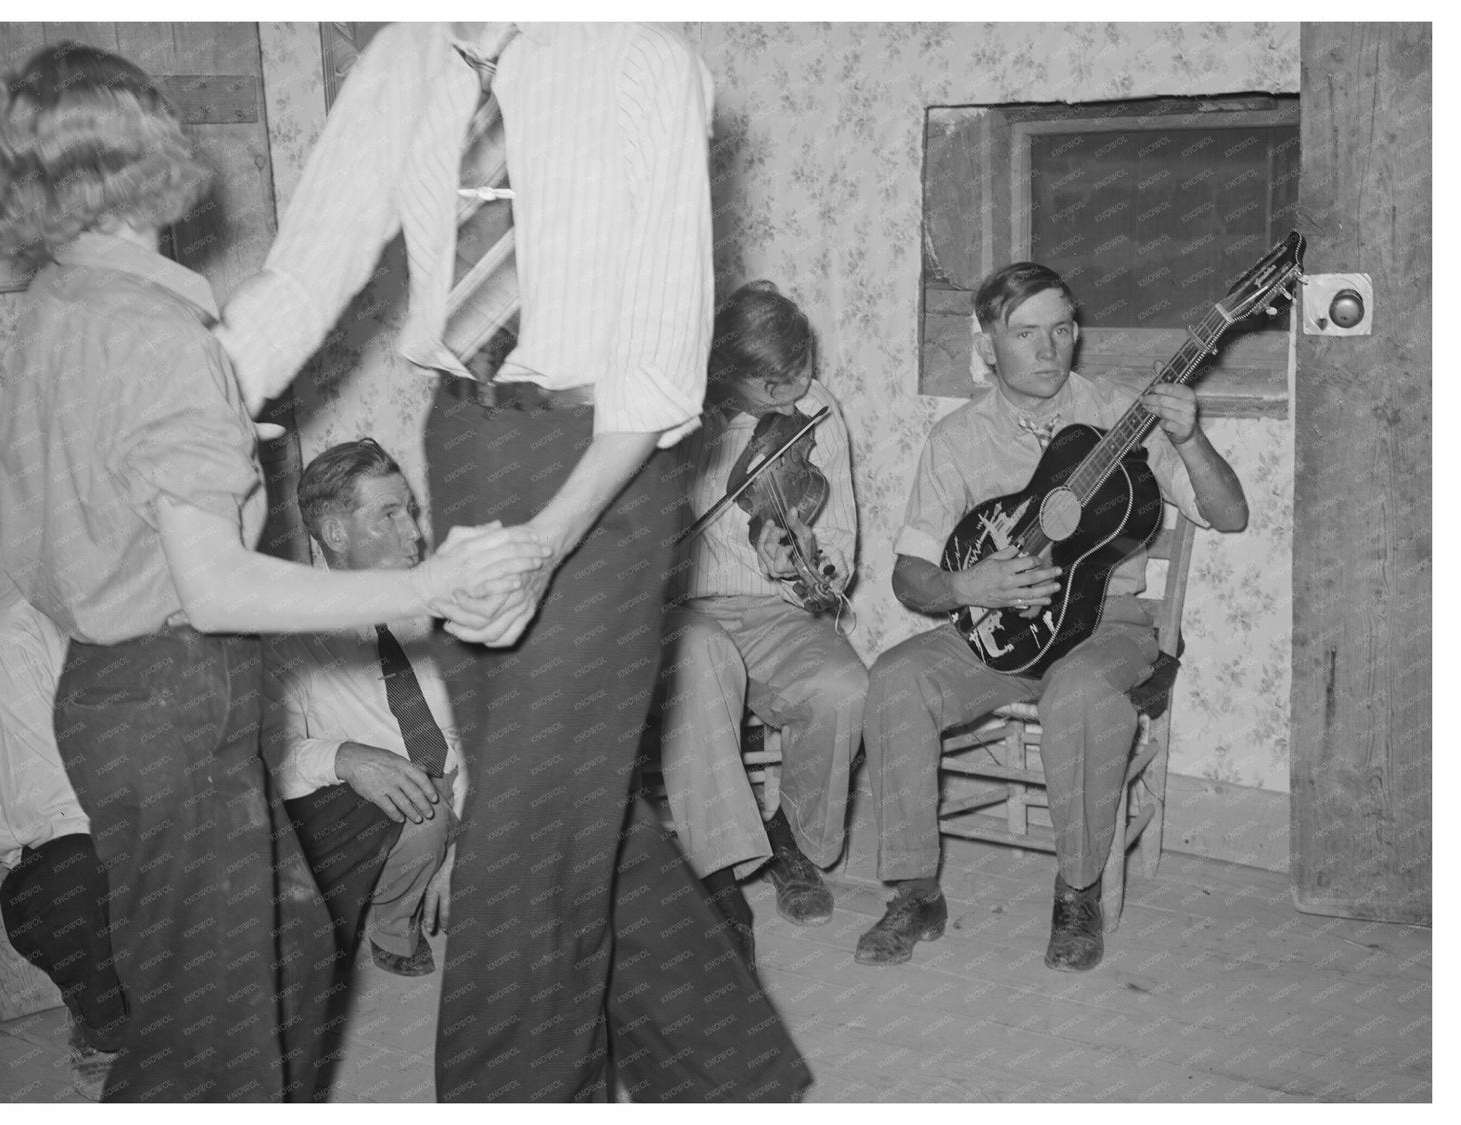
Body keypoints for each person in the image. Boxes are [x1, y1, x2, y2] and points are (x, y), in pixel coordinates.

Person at [217, 22, 812, 1103]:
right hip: (469, 438)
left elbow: (662, 357)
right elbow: (307, 272)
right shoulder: (402, 60)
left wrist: (546, 544)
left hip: (610, 458)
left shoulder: (641, 58)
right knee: (568, 803)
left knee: (525, 840)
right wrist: (189, 410)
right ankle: (735, 1073)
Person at [0, 42, 550, 1102]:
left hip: (106, 693)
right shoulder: (157, 329)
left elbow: (71, 512)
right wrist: (428, 586)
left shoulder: (64, 306)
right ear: (152, 151)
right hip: (171, 687)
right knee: (222, 1018)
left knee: (283, 946)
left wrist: (197, 448)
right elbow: (217, 587)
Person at [858, 261, 1248, 972]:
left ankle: (1077, 891)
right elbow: (909, 575)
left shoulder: (1121, 412)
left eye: (1062, 329)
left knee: (1082, 695)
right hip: (998, 630)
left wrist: (1191, 437)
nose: (1048, 349)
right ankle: (915, 890)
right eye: (1025, 332)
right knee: (894, 679)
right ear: (987, 345)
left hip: (1108, 626)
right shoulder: (957, 439)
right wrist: (967, 583)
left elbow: (1229, 514)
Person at [659, 281, 865, 964]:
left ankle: (793, 842)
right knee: (702, 663)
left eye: (803, 366)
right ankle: (720, 874)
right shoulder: (677, 418)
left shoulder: (817, 413)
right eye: (777, 382)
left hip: (779, 610)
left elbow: (839, 553)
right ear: (728, 375)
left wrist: (803, 563)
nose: (800, 386)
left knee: (844, 687)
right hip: (690, 610)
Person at [263, 439, 463, 981]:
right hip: (388, 807)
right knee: (424, 816)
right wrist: (345, 756)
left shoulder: (441, 600)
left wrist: (475, 838)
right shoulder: (290, 629)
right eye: (389, 516)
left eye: (411, 513)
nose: (415, 534)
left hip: (466, 780)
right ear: (335, 534)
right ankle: (390, 919)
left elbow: (485, 726)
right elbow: (270, 758)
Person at [0, 577, 127, 1098]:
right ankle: (105, 1031)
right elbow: (40, 808)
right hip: (62, 841)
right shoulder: (9, 630)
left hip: (145, 814)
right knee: (71, 874)